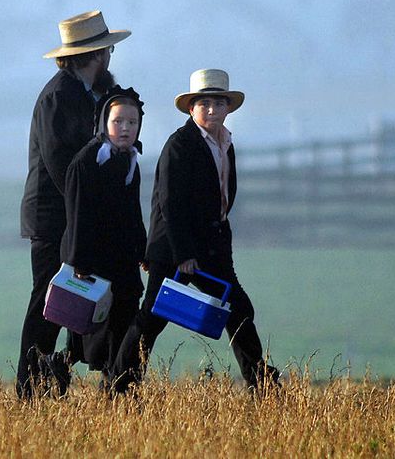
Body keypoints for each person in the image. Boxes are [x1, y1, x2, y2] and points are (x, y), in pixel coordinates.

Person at [112, 69, 280, 393]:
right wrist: (183, 254)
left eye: (219, 103)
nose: (213, 110)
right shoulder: (180, 145)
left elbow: (223, 194)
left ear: (228, 108)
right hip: (178, 248)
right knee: (153, 317)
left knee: (238, 307)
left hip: (212, 246)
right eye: (205, 103)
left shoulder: (226, 143)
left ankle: (261, 382)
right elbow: (169, 204)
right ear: (192, 108)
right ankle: (121, 383)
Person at [16, 9, 131, 399]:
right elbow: (64, 167)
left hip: (73, 217)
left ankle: (56, 373)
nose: (111, 59)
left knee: (78, 300)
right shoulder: (58, 97)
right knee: (47, 304)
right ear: (96, 55)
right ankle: (29, 390)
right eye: (108, 52)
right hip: (54, 220)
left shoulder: (83, 95)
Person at [60, 86, 147, 394]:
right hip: (94, 260)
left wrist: (143, 250)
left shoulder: (131, 160)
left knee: (124, 324)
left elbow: (135, 212)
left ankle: (118, 388)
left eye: (132, 123)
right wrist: (79, 260)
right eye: (118, 121)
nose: (125, 129)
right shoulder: (87, 162)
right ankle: (59, 371)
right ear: (103, 123)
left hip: (123, 259)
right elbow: (77, 214)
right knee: (94, 330)